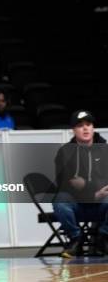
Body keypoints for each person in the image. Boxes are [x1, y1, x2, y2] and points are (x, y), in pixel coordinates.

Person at [53, 110, 108, 258]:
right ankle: (76, 239)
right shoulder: (65, 152)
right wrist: (92, 192)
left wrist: (86, 186)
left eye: (88, 124)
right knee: (60, 199)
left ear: (93, 128)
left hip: (102, 202)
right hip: (77, 204)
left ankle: (103, 239)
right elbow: (64, 183)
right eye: (80, 125)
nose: (85, 128)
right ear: (73, 130)